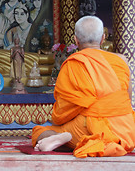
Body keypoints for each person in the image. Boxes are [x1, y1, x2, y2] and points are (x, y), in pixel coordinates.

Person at [32, 16, 135, 158]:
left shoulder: (74, 63)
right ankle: (96, 140)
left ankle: (60, 137)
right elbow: (127, 99)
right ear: (103, 38)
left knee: (39, 131)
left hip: (89, 125)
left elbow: (64, 109)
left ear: (75, 40)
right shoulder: (121, 60)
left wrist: (61, 121)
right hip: (125, 128)